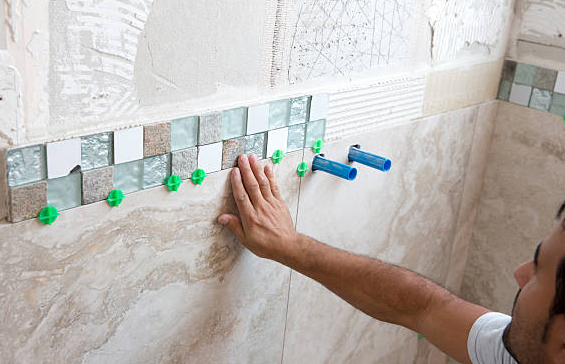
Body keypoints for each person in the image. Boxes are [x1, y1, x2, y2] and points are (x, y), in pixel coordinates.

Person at [217, 154, 565, 364]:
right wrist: (291, 246)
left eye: (538, 273)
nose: (519, 274)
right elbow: (421, 306)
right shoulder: (523, 350)